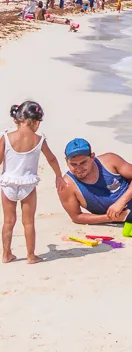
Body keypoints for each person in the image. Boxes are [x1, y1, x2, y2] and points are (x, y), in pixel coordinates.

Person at [1, 101, 67, 264]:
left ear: (18, 118)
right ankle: (31, 256)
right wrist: (58, 176)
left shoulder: (6, 137)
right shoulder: (39, 139)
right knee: (28, 222)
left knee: (8, 221)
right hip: (28, 185)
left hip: (8, 183)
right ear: (36, 122)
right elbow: (51, 158)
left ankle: (6, 254)